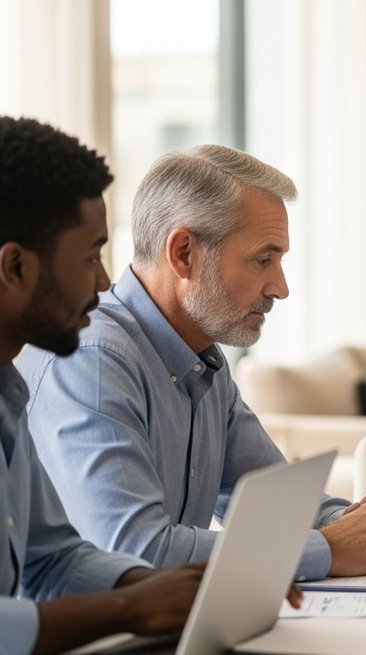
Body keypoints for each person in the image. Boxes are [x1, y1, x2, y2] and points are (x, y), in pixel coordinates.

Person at [17, 144, 366, 582]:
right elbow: (134, 550)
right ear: (184, 253)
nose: (280, 288)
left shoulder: (202, 360)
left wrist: (361, 520)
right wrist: (331, 548)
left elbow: (269, 499)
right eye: (263, 260)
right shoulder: (92, 360)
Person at [0, 115, 205, 655]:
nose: (101, 284)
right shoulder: (89, 359)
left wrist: (179, 586)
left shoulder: (8, 395)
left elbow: (53, 559)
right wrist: (127, 608)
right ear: (14, 267)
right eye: (90, 257)